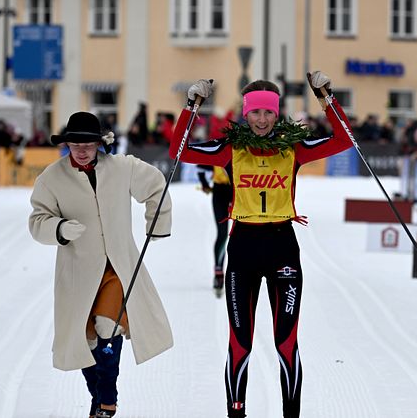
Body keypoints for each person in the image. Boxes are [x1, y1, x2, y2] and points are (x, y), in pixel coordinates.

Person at [170, 71, 354, 418]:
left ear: (277, 113)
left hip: (283, 246)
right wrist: (192, 106)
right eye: (255, 112)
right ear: (245, 113)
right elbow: (178, 152)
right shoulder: (230, 149)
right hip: (243, 250)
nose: (262, 119)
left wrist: (325, 97)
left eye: (269, 112)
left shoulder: (293, 147)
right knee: (240, 344)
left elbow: (344, 140)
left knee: (286, 344)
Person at [28, 111, 173, 418]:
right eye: (75, 143)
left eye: (88, 143)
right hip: (77, 273)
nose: (81, 149)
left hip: (116, 268)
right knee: (84, 341)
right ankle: (98, 397)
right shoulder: (51, 178)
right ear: (66, 144)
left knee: (108, 327)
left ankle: (107, 402)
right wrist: (59, 228)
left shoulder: (123, 167)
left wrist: (157, 224)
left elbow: (156, 185)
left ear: (99, 143)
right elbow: (37, 220)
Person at [197, 164, 233, 296]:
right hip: (220, 192)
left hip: (239, 191)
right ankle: (219, 274)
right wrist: (204, 183)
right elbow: (200, 165)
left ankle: (244, 274)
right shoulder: (218, 144)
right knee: (222, 233)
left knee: (242, 233)